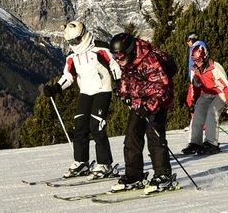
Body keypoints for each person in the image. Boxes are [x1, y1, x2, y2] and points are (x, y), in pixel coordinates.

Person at [42, 21, 122, 179]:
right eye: (70, 42)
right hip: (85, 92)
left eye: (76, 40)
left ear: (83, 35)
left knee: (96, 126)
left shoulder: (100, 49)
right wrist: (56, 88)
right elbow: (69, 76)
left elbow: (114, 64)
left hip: (102, 90)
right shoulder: (72, 57)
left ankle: (105, 164)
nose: (74, 44)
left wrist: (119, 83)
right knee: (79, 127)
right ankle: (81, 162)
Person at [109, 33, 177, 194]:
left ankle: (163, 175)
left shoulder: (150, 60)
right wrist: (124, 93)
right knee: (132, 135)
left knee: (154, 136)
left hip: (158, 100)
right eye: (115, 57)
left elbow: (163, 87)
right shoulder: (127, 59)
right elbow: (127, 77)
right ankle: (134, 175)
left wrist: (149, 106)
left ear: (131, 51)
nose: (118, 60)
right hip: (140, 100)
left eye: (120, 56)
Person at [182, 45, 228, 155]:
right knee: (197, 115)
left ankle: (211, 143)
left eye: (199, 60)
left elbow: (226, 86)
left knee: (212, 113)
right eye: (194, 60)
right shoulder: (196, 69)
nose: (197, 62)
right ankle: (195, 143)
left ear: (205, 57)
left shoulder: (215, 68)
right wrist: (193, 101)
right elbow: (195, 86)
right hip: (206, 94)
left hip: (220, 94)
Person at [184, 33, 208, 131]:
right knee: (191, 100)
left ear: (192, 39)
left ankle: (200, 123)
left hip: (197, 80)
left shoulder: (199, 46)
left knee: (193, 100)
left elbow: (201, 62)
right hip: (194, 79)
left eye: (187, 39)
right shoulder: (193, 48)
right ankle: (199, 122)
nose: (186, 42)